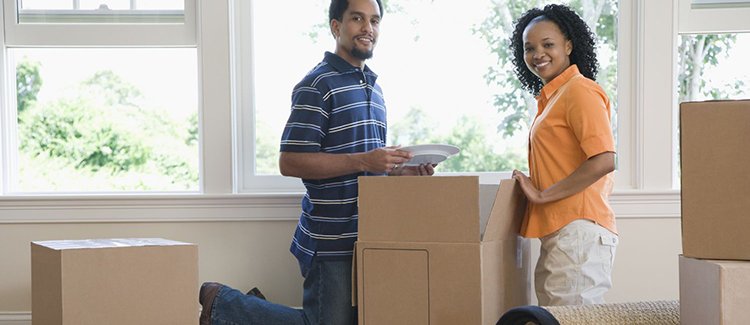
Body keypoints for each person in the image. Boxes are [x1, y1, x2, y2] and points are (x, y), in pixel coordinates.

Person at [198, 0, 434, 324]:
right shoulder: (317, 85)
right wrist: (365, 159)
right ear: (336, 27)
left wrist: (400, 172)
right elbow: (290, 161)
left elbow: (367, 168)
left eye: (375, 21)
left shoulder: (375, 93)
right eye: (357, 18)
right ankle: (225, 304)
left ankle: (238, 307)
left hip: (366, 237)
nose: (368, 28)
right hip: (329, 240)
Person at [508, 4, 619, 306]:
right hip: (562, 232)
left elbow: (605, 159)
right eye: (529, 48)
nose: (537, 54)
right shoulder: (553, 98)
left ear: (568, 45)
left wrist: (544, 195)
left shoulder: (579, 90)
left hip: (578, 231)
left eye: (548, 44)